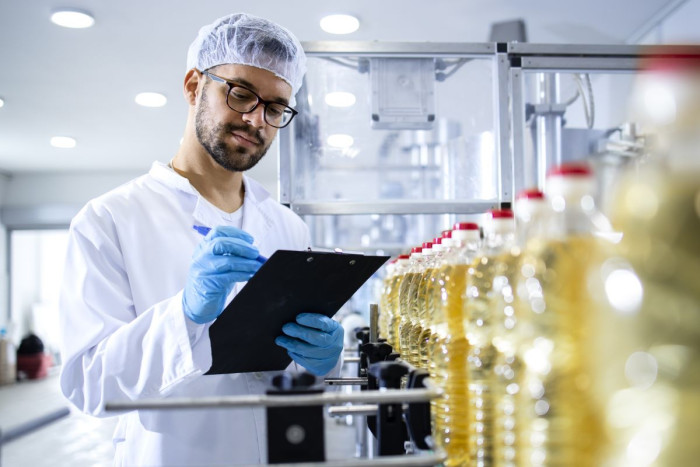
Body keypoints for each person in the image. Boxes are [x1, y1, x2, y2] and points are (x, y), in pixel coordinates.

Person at [58, 13, 344, 466]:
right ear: (194, 87)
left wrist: (322, 359)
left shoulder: (287, 227)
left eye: (274, 107)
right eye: (241, 93)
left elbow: (295, 375)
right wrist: (184, 315)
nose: (256, 121)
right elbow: (88, 385)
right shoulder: (109, 219)